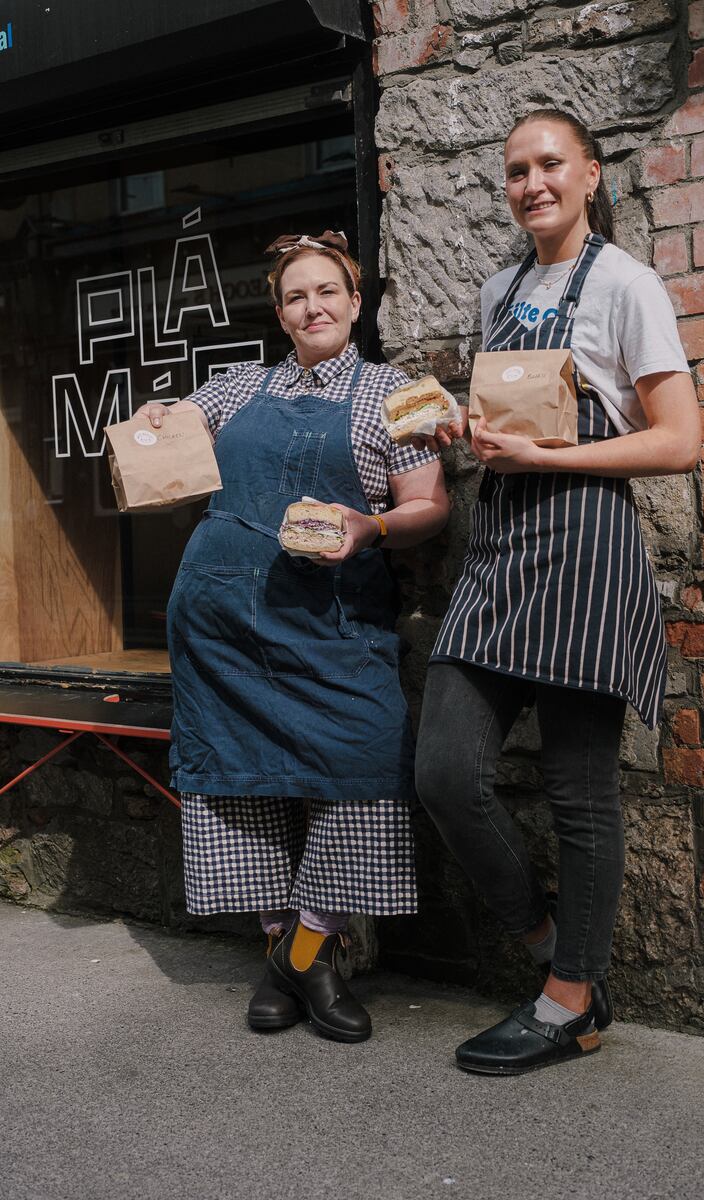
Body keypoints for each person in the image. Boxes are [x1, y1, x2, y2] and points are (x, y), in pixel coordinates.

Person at [413, 110, 701, 1075]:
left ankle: (572, 999)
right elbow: (508, 413)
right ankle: (546, 946)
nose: (531, 182)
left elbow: (679, 440)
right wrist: (467, 432)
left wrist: (554, 452)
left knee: (581, 794)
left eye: (548, 165)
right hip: (499, 544)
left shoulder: (627, 283)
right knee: (446, 773)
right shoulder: (500, 288)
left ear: (589, 174)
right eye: (515, 171)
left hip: (584, 543)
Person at [139, 230, 449, 1044]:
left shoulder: (400, 392)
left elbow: (430, 504)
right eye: (295, 296)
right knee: (244, 789)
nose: (312, 307)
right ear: (280, 313)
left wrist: (370, 522)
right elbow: (171, 428)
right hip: (219, 624)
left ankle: (298, 959)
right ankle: (294, 951)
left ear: (354, 302)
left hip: (332, 626)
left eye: (327, 293)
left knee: (366, 765)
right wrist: (154, 415)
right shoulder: (237, 386)